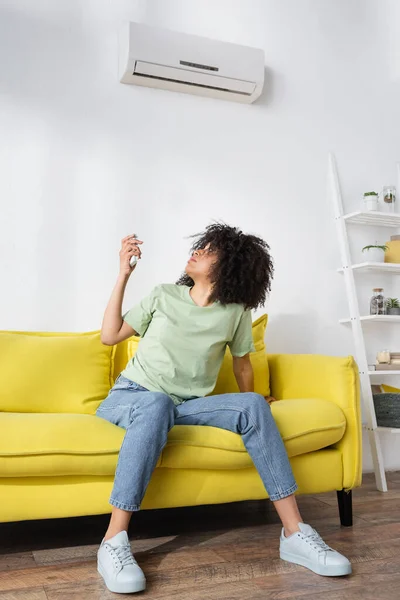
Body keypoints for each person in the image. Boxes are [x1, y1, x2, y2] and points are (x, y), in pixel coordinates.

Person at [96, 223, 351, 594]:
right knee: (156, 401)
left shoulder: (235, 312)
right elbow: (109, 336)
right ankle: (113, 541)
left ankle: (295, 535)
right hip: (134, 397)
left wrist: (257, 400)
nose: (197, 251)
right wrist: (123, 274)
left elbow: (242, 365)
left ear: (229, 265)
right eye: (201, 245)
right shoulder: (163, 295)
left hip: (184, 406)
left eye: (209, 249)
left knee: (248, 406)